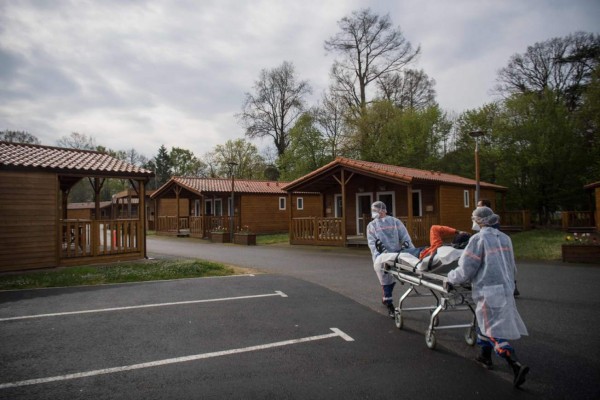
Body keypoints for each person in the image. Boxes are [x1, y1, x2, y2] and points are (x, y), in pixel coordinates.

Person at [447, 206, 530, 388]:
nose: (473, 222)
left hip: (488, 290)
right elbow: (511, 265)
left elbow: (467, 268)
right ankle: (485, 356)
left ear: (479, 221)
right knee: (486, 323)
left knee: (491, 330)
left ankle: (514, 363)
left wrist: (450, 278)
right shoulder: (506, 239)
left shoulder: (478, 239)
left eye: (474, 219)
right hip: (505, 287)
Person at [367, 201, 414, 318]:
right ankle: (389, 302)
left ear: (383, 210)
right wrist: (378, 255)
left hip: (396, 254)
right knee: (385, 277)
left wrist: (409, 250)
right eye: (373, 210)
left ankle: (386, 297)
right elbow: (372, 243)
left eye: (376, 210)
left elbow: (405, 237)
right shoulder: (372, 226)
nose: (374, 213)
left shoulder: (395, 222)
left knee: (392, 277)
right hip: (382, 256)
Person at [476, 199, 520, 297]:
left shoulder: (490, 219)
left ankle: (511, 285)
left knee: (505, 265)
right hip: (492, 246)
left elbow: (493, 234)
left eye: (479, 205)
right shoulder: (482, 217)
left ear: (485, 207)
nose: (477, 207)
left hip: (496, 247)